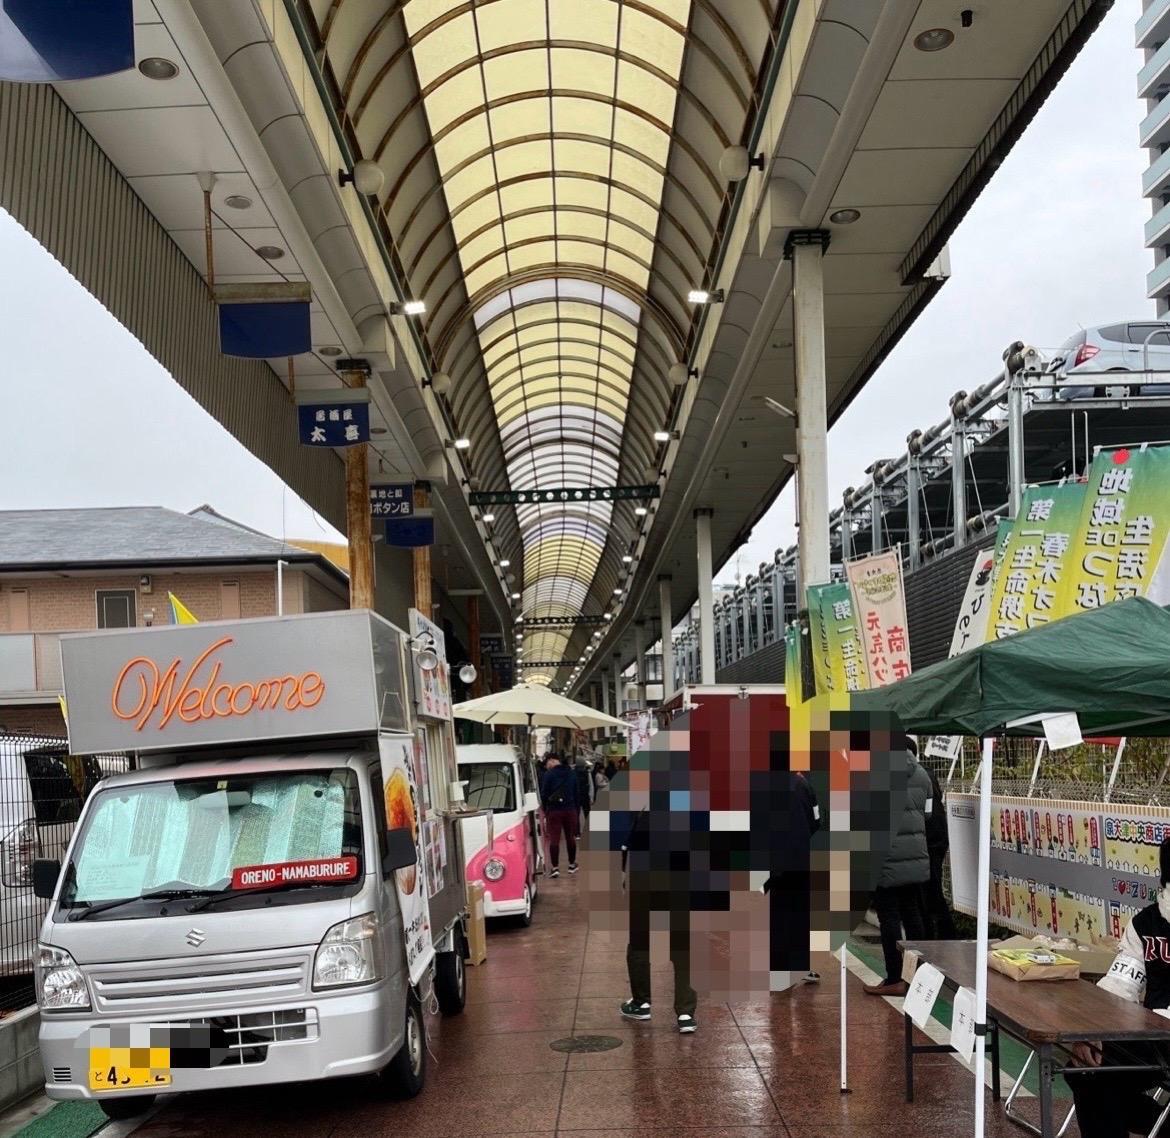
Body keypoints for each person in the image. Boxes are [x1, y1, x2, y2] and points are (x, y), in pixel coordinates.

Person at [1067, 836, 1170, 1138]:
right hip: (1153, 1037)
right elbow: (1119, 986)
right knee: (1086, 1066)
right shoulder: (1144, 923)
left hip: (1156, 1035)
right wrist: (1093, 1030)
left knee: (1101, 1084)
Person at [619, 792, 698, 1034]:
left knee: (640, 944)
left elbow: (626, 844)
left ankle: (641, 1002)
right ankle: (685, 1014)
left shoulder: (644, 812)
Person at [863, 738, 932, 996]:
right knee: (913, 915)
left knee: (889, 918)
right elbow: (927, 814)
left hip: (885, 859)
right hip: (915, 858)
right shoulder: (923, 774)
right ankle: (919, 976)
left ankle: (894, 977)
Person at [917, 741, 956, 939]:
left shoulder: (917, 777)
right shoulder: (926, 774)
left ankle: (943, 935)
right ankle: (940, 934)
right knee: (930, 891)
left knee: (930, 893)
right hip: (934, 841)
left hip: (929, 842)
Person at [539, 755, 578, 877]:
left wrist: (546, 809)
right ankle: (572, 865)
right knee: (570, 837)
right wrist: (576, 809)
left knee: (554, 839)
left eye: (547, 763)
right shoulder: (571, 773)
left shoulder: (549, 775)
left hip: (554, 810)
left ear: (552, 761)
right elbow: (577, 792)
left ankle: (555, 868)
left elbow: (544, 794)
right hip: (570, 809)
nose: (547, 766)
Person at [574, 755, 593, 833]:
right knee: (587, 813)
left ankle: (577, 832)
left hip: (576, 797)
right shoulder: (587, 773)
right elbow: (591, 786)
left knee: (576, 815)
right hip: (585, 796)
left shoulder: (573, 773)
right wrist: (591, 797)